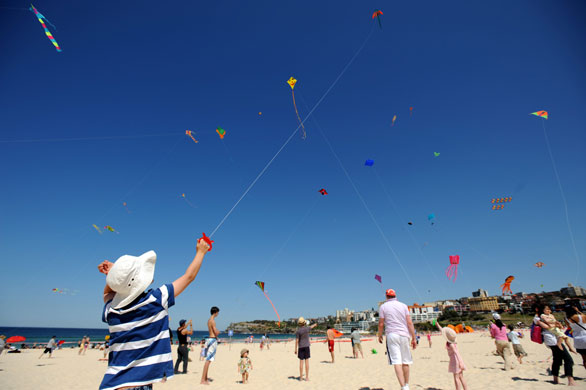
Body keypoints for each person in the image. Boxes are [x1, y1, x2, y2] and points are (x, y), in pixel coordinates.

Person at [97, 237, 211, 390]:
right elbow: (189, 277)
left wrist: (116, 274)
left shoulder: (112, 310)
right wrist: (201, 252)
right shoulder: (155, 300)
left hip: (112, 384)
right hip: (139, 385)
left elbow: (107, 294)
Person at [377, 289, 417, 390]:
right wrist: (414, 337)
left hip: (392, 335)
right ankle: (406, 384)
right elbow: (409, 322)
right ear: (395, 296)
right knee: (406, 361)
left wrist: (379, 335)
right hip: (404, 335)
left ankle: (403, 387)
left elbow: (381, 323)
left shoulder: (383, 307)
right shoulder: (403, 305)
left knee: (396, 361)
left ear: (386, 296)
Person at [534, 305, 576, 386]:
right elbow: (546, 326)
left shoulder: (549, 317)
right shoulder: (539, 318)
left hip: (554, 338)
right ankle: (570, 380)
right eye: (547, 309)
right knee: (568, 359)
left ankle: (555, 379)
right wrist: (555, 324)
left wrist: (557, 325)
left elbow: (556, 326)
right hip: (551, 340)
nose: (549, 311)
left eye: (549, 309)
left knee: (557, 359)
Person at [436, 322, 468, 390]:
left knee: (456, 377)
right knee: (461, 376)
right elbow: (442, 330)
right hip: (458, 359)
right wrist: (437, 324)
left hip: (455, 360)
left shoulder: (450, 344)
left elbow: (456, 353)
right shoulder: (452, 342)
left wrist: (460, 363)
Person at [201, 306, 220, 385]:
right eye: (218, 312)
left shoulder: (209, 320)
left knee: (208, 360)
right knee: (208, 360)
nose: (218, 314)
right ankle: (203, 379)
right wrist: (219, 332)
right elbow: (215, 332)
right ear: (215, 312)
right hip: (212, 340)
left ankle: (205, 378)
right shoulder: (212, 321)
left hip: (209, 339)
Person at [294, 317, 317, 381]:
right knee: (307, 362)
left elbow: (296, 341)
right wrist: (315, 324)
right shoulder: (307, 329)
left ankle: (301, 377)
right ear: (304, 323)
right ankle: (307, 377)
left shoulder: (298, 331)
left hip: (300, 347)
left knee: (301, 362)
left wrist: (295, 349)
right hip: (306, 346)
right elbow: (311, 326)